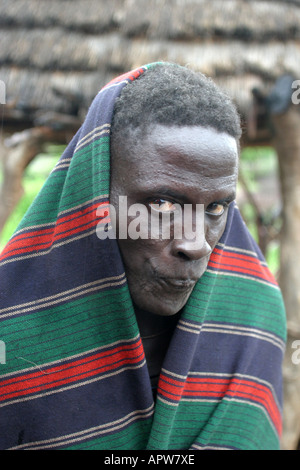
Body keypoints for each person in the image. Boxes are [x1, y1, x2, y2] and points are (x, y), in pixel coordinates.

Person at [0, 63, 286, 450]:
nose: (196, 244)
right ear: (96, 193)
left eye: (217, 208)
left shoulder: (254, 320)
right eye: (163, 203)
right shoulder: (11, 344)